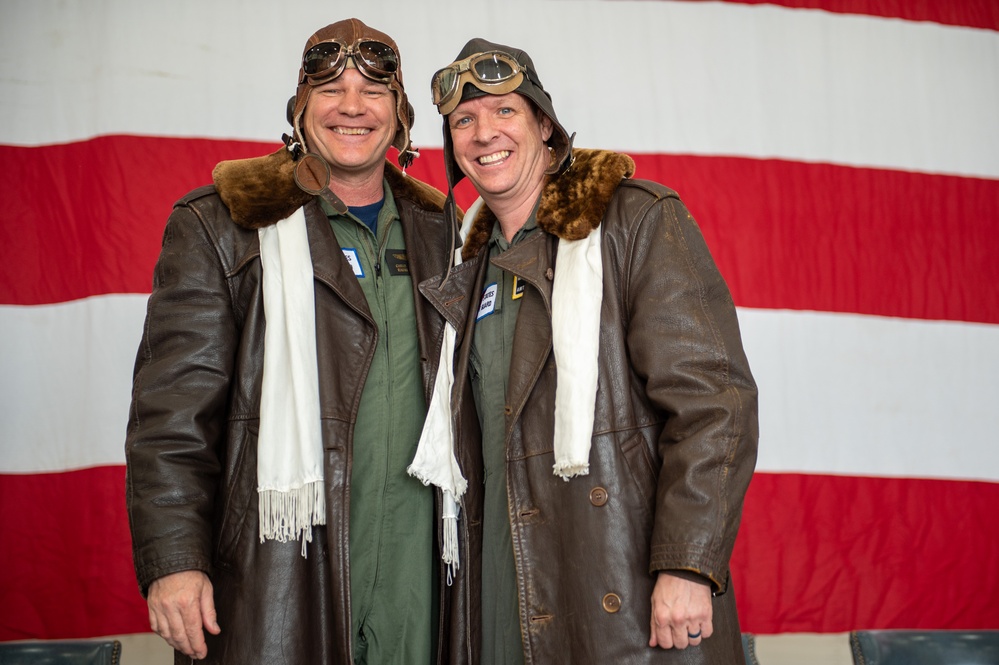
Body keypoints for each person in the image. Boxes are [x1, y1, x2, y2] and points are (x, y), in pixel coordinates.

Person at [125, 18, 459, 664]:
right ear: (300, 108)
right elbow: (171, 416)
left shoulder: (444, 232)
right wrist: (174, 560)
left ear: (402, 115)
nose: (353, 107)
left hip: (422, 574)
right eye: (331, 88)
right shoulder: (221, 224)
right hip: (278, 571)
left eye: (373, 89)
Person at [418, 39, 759, 664]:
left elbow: (716, 403)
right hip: (506, 583)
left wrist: (688, 563)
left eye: (503, 112)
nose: (482, 132)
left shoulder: (634, 220)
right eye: (463, 121)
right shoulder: (467, 270)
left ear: (544, 125)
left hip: (619, 578)